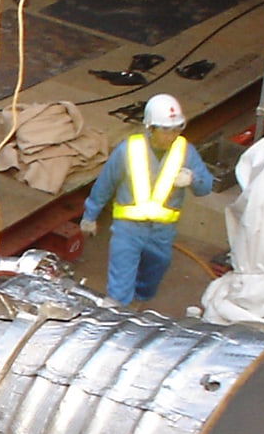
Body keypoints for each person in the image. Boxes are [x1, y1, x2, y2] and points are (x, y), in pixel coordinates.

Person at [78, 93, 213, 308]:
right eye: (166, 129)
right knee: (120, 283)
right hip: (128, 229)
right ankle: (116, 313)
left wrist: (192, 179)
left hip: (162, 231)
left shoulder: (186, 152)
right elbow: (105, 184)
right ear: (150, 128)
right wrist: (90, 215)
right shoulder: (128, 150)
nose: (172, 135)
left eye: (177, 128)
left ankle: (140, 300)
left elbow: (206, 187)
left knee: (155, 271)